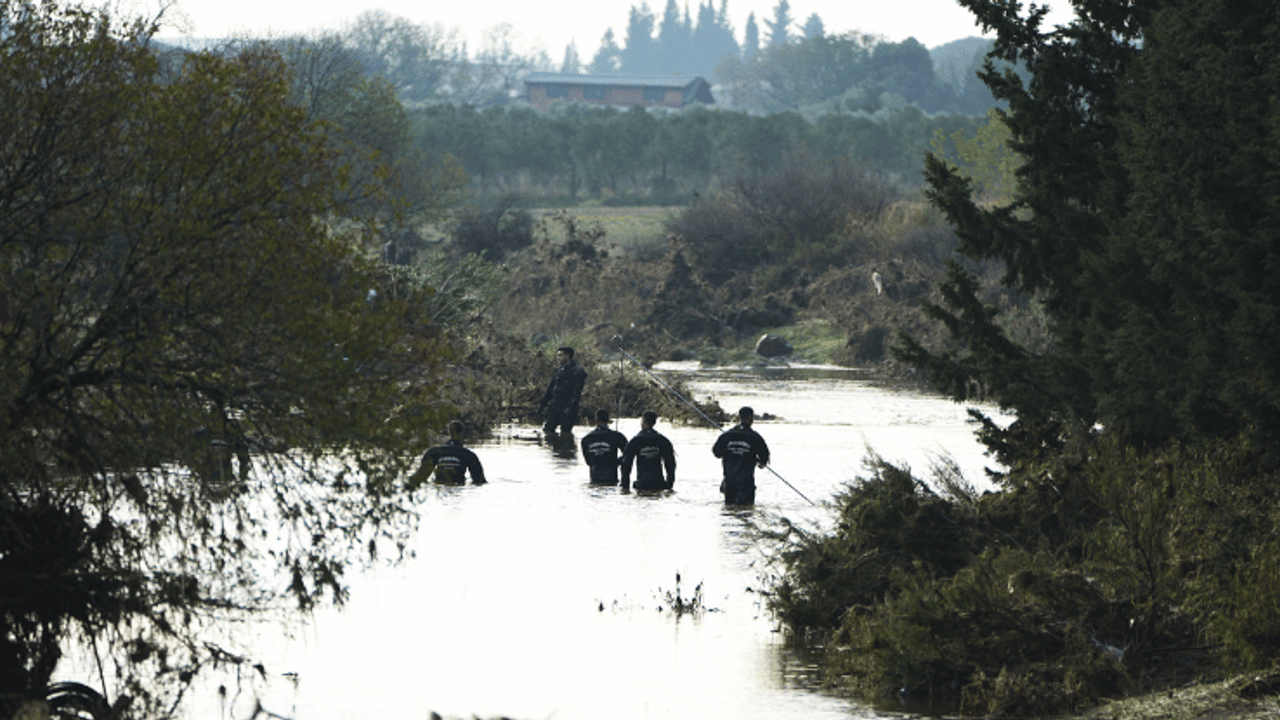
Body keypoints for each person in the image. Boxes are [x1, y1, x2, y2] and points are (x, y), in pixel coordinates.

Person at [712, 406, 770, 505]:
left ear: (739, 417)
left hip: (729, 481)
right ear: (751, 418)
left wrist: (730, 453)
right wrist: (759, 462)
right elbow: (764, 458)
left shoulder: (727, 435)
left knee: (730, 509)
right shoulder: (754, 437)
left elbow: (716, 452)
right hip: (746, 483)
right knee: (746, 510)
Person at [410, 420, 487, 486]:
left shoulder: (434, 452)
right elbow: (479, 480)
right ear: (462, 433)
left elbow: (420, 477)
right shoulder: (468, 454)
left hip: (439, 486)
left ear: (448, 432)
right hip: (458, 486)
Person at [621, 410, 676, 492]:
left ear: (643, 421)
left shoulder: (635, 441)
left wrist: (625, 486)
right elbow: (670, 464)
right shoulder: (663, 440)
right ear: (654, 422)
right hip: (659, 484)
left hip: (642, 484)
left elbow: (626, 464)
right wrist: (669, 485)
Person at [538, 346, 587, 435]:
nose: (558, 358)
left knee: (565, 433)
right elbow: (550, 389)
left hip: (568, 407)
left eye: (560, 355)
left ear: (567, 356)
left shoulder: (577, 371)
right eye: (558, 355)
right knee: (548, 430)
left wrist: (571, 407)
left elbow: (577, 392)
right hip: (554, 406)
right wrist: (542, 405)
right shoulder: (558, 371)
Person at [581, 408, 628, 485]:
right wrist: (615, 463)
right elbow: (628, 454)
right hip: (611, 477)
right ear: (608, 420)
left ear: (596, 420)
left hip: (595, 478)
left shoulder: (586, 439)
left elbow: (588, 461)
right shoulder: (617, 436)